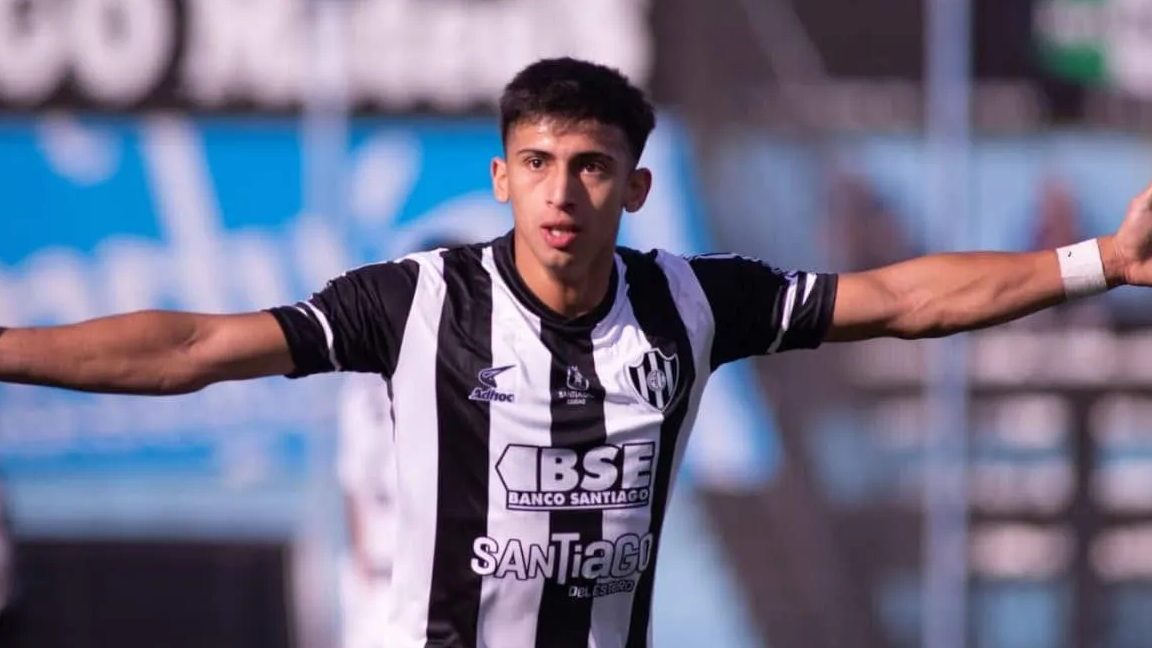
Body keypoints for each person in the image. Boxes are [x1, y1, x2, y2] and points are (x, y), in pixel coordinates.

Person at [0, 56, 1148, 648]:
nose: (563, 192)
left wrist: (1099, 259)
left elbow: (899, 299)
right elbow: (195, 344)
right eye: (539, 165)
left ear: (635, 187)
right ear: (502, 177)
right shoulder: (415, 301)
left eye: (592, 166)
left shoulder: (693, 302)